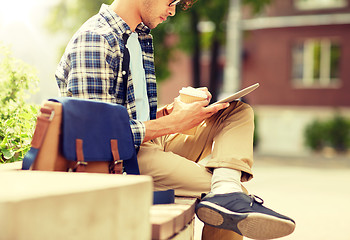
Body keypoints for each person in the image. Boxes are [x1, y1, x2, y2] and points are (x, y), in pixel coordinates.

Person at [55, 0, 296, 239]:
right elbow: (97, 137)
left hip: (150, 144)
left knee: (236, 112)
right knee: (235, 204)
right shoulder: (97, 40)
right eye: (171, 2)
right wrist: (175, 124)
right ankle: (227, 194)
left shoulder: (137, 38)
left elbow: (127, 115)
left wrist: (170, 113)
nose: (172, 11)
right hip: (125, 161)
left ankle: (226, 187)